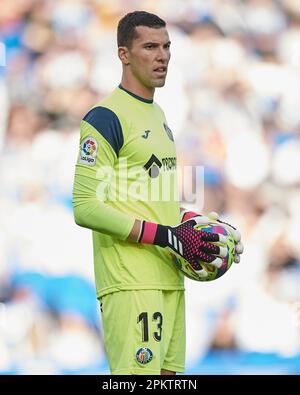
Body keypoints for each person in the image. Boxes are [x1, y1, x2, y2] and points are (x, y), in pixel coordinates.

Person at [73, 11, 243, 375]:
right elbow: (85, 207)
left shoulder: (159, 114)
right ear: (124, 54)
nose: (162, 56)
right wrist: (167, 235)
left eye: (166, 46)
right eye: (150, 46)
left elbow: (151, 196)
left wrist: (193, 224)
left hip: (170, 279)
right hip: (131, 284)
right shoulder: (105, 117)